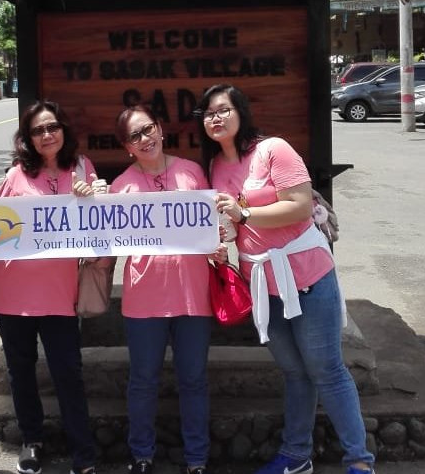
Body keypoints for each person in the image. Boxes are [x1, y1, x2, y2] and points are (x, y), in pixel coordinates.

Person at [197, 84, 375, 474]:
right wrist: (223, 237)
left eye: (224, 109)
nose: (216, 118)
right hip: (263, 284)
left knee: (326, 369)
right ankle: (297, 456)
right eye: (209, 112)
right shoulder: (216, 166)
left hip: (307, 276)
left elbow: (297, 207)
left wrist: (245, 216)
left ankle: (360, 461)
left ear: (241, 112)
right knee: (294, 372)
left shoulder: (273, 149)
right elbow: (233, 224)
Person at [0, 100, 104, 474]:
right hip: (13, 292)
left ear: (63, 130)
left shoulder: (83, 169)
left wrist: (95, 199)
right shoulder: (16, 175)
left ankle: (83, 451)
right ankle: (31, 440)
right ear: (28, 138)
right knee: (21, 370)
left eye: (51, 127)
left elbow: (104, 225)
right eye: (37, 130)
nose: (46, 135)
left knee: (67, 371)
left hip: (61, 293)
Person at [110, 104, 226, 474]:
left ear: (161, 129)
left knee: (193, 380)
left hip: (194, 296)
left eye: (148, 130)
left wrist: (219, 244)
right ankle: (141, 455)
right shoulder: (119, 187)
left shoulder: (192, 172)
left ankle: (197, 459)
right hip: (144, 299)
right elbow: (104, 238)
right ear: (126, 147)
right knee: (143, 381)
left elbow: (213, 225)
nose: (144, 139)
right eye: (134, 136)